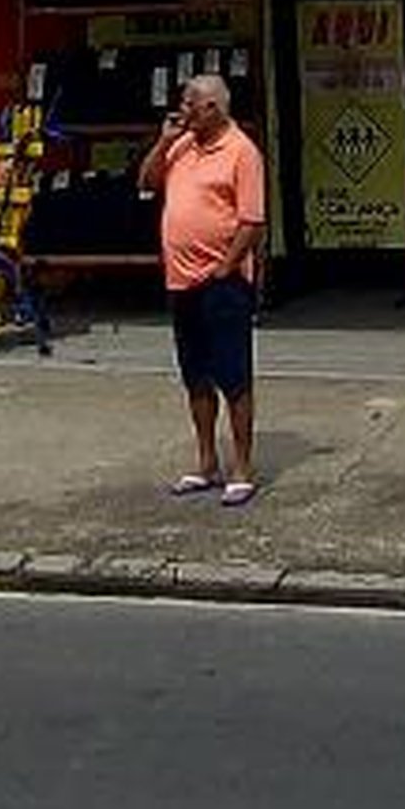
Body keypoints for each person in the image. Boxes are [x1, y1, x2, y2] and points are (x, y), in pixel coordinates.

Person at [135, 69, 266, 506]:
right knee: (195, 375)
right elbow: (147, 183)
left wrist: (226, 267)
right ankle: (206, 460)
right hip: (180, 279)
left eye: (190, 103)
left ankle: (242, 465)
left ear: (213, 107)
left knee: (234, 374)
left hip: (221, 281)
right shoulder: (182, 145)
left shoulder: (241, 151)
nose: (183, 109)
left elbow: (252, 221)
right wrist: (164, 141)